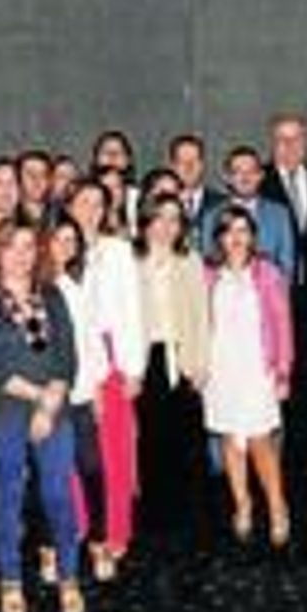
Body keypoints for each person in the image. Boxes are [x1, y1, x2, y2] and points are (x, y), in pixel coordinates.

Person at [0, 219, 85, 612]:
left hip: (53, 402)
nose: (21, 255)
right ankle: (11, 580)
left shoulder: (51, 295)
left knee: (58, 493)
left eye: (28, 247)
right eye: (11, 246)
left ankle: (69, 576)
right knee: (9, 493)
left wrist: (51, 402)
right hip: (5, 406)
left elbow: (68, 356)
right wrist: (40, 398)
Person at [64, 177, 146, 573]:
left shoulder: (118, 250)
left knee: (114, 450)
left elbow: (132, 310)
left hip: (112, 355)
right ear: (68, 206)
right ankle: (79, 526)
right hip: (67, 360)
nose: (91, 211)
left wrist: (134, 368)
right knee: (72, 453)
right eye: (83, 202)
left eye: (99, 204)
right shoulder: (56, 248)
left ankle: (115, 531)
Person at [203, 206, 295, 548]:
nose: (237, 237)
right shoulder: (207, 274)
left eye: (243, 230)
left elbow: (283, 324)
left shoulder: (268, 272)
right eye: (229, 231)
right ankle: (242, 504)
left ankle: (277, 506)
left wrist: (283, 370)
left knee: (260, 441)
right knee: (231, 439)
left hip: (258, 369)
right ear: (219, 238)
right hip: (220, 370)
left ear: (253, 236)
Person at [132, 194, 212, 548]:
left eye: (174, 219)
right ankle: (155, 516)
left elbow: (201, 315)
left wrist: (201, 363)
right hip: (145, 359)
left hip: (182, 355)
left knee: (187, 439)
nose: (167, 226)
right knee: (150, 438)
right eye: (160, 217)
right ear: (146, 221)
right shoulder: (130, 260)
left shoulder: (190, 260)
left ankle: (188, 517)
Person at [39, 218, 111, 579]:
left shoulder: (76, 286)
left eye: (73, 240)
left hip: (80, 393)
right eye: (59, 239)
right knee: (49, 476)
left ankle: (99, 542)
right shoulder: (34, 288)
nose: (66, 246)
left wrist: (97, 388)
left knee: (91, 470)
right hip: (45, 398)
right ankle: (49, 547)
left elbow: (91, 340)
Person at [260, 113, 307, 438]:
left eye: (296, 139)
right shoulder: (260, 179)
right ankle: (272, 439)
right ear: (272, 143)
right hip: (272, 295)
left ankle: (301, 443)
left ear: (306, 142)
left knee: (306, 368)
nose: (289, 145)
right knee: (273, 368)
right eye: (282, 139)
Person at [213, 144, 297, 279]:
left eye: (251, 171)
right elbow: (208, 266)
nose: (245, 177)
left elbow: (287, 267)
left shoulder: (280, 215)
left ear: (261, 175)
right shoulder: (212, 215)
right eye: (238, 171)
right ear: (227, 177)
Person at [168, 133, 225, 250]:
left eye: (194, 160)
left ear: (202, 165)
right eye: (182, 161)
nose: (189, 166)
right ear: (172, 166)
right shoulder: (162, 203)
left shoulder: (222, 204)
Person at [16, 150, 54, 224]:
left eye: (42, 174)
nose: (37, 180)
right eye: (31, 174)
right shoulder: (8, 218)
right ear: (19, 177)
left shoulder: (61, 217)